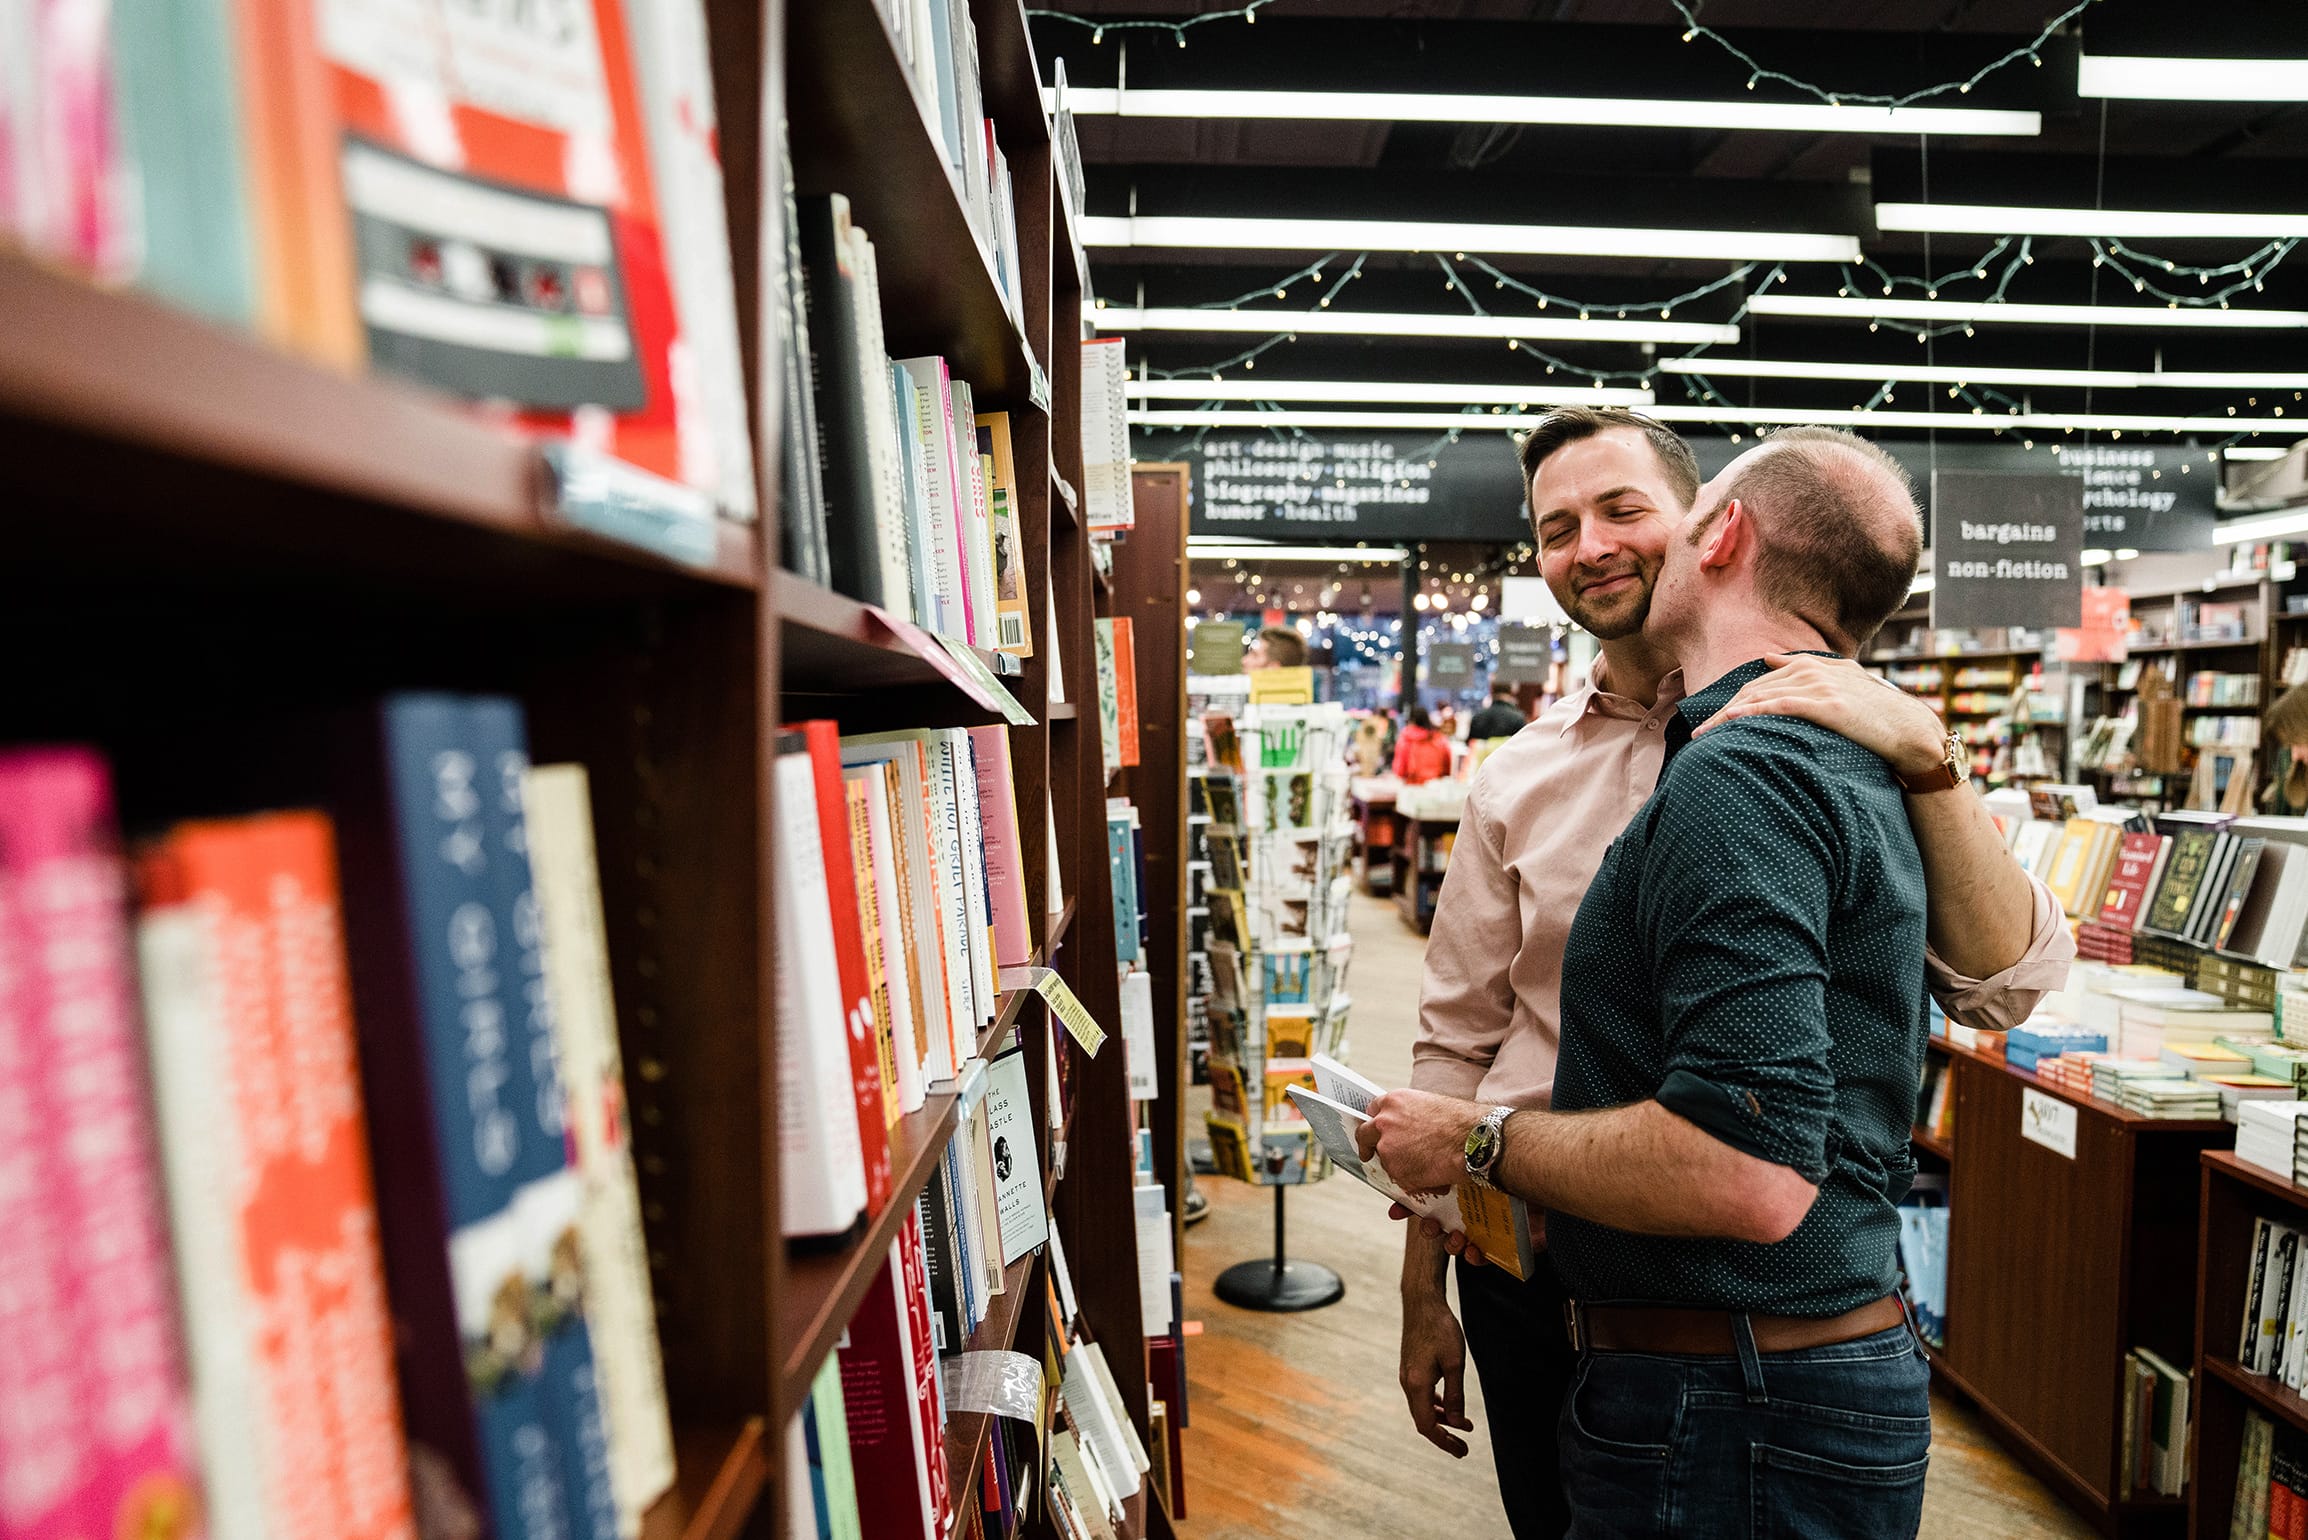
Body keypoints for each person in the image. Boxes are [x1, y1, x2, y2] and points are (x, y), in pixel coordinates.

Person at [1377, 409, 2070, 1539]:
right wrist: (1425, 1285)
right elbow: (1456, 1040)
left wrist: (1934, 759)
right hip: (1539, 1259)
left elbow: (2006, 986)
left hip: (1730, 1299)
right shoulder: (1520, 780)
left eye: (1622, 509)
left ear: (1707, 527)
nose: (1588, 545)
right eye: (1555, 528)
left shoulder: (1854, 731)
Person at [1391, 706, 1452, 785]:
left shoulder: (1406, 738)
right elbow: (1447, 762)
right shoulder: (1438, 738)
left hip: (1412, 785)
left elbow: (1400, 767)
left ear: (1412, 720)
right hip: (1434, 784)